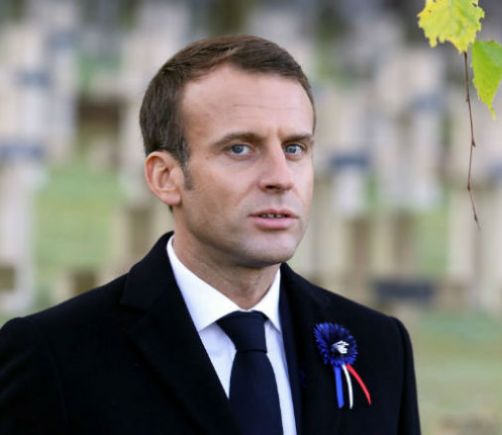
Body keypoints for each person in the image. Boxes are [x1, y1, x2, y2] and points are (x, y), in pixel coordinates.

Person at [0, 35, 420, 435]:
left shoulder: (380, 347)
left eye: (294, 148)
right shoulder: (55, 356)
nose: (280, 177)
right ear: (166, 177)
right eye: (240, 148)